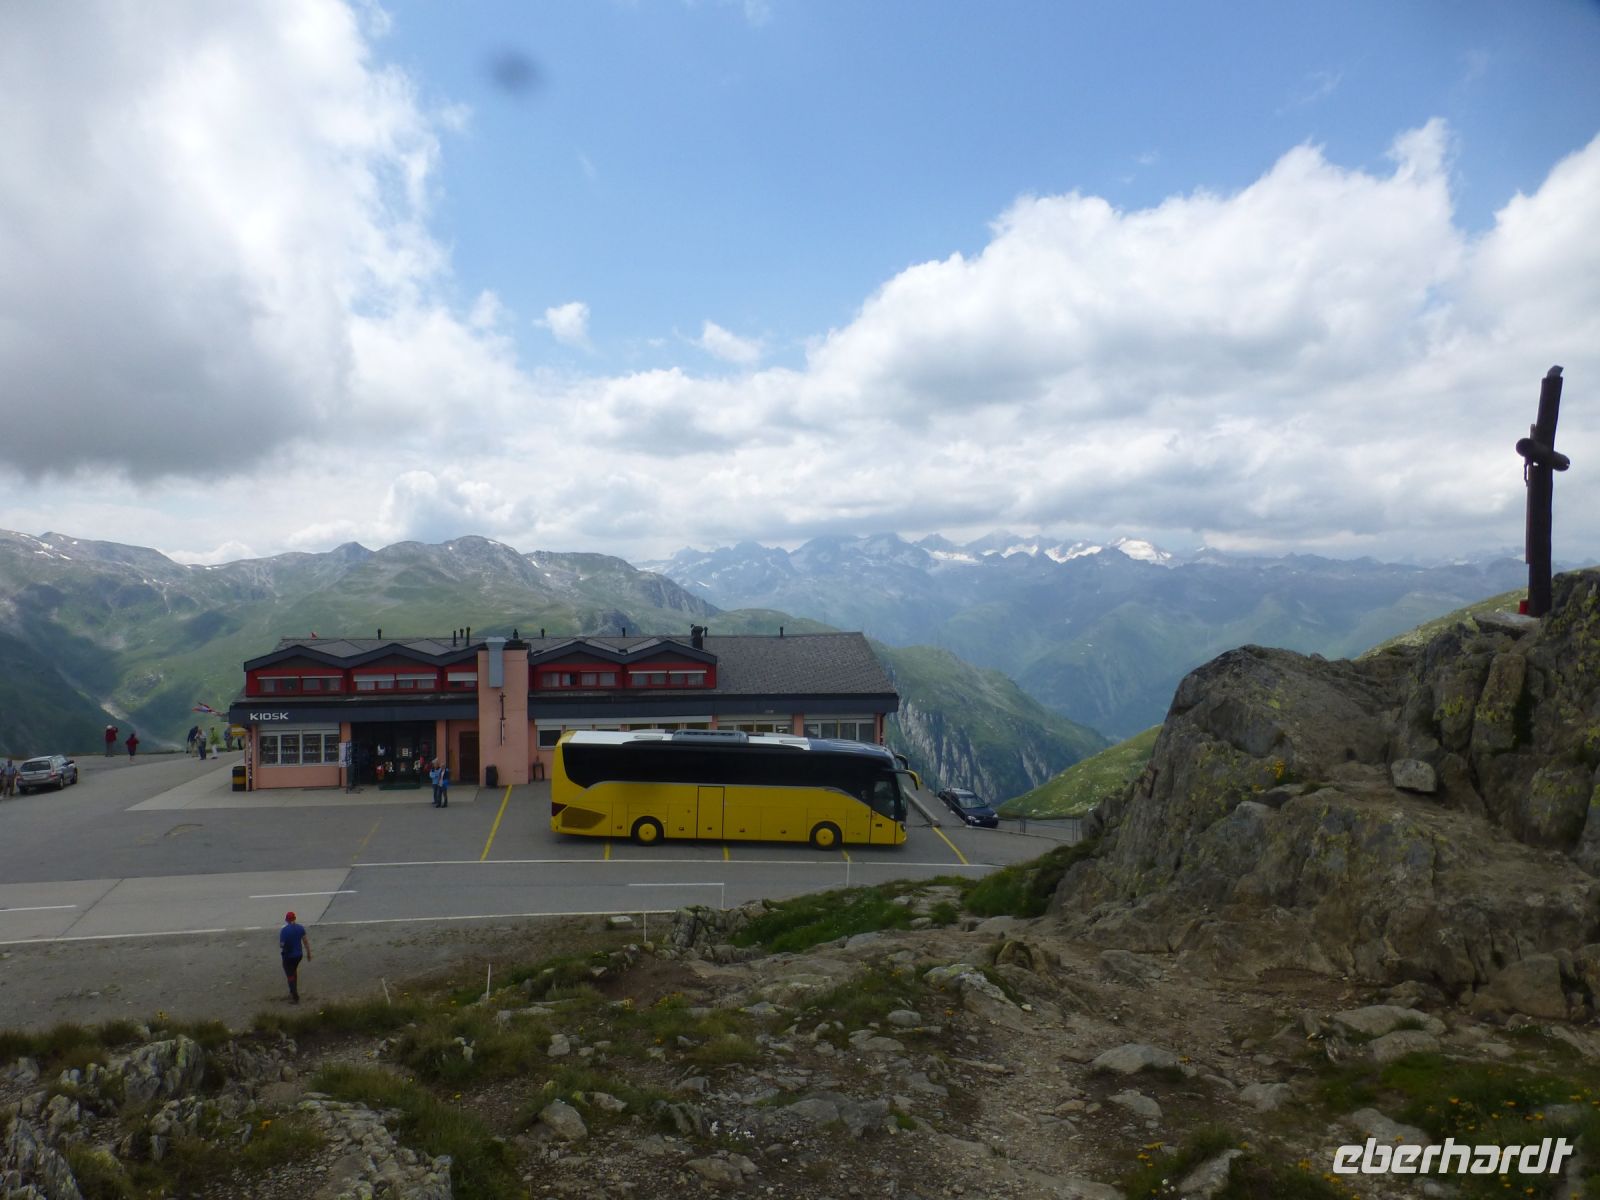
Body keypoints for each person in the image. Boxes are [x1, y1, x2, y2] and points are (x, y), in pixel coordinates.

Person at [278, 911, 311, 1003]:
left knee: (290, 975)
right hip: (299, 955)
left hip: (288, 956)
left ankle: (295, 996)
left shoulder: (284, 930)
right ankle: (292, 992)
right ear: (295, 918)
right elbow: (305, 942)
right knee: (293, 972)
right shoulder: (300, 928)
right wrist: (308, 953)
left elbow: (281, 945)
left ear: (287, 920)